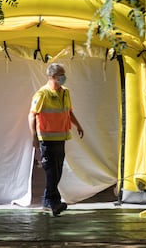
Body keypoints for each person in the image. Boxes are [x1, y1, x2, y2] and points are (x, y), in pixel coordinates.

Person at [28, 63, 84, 216]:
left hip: (61, 138)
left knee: (58, 171)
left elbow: (69, 113)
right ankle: (54, 203)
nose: (64, 77)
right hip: (46, 139)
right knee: (51, 171)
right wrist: (34, 137)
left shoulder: (65, 93)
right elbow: (32, 115)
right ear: (52, 76)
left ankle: (48, 201)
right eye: (61, 74)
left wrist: (78, 126)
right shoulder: (42, 94)